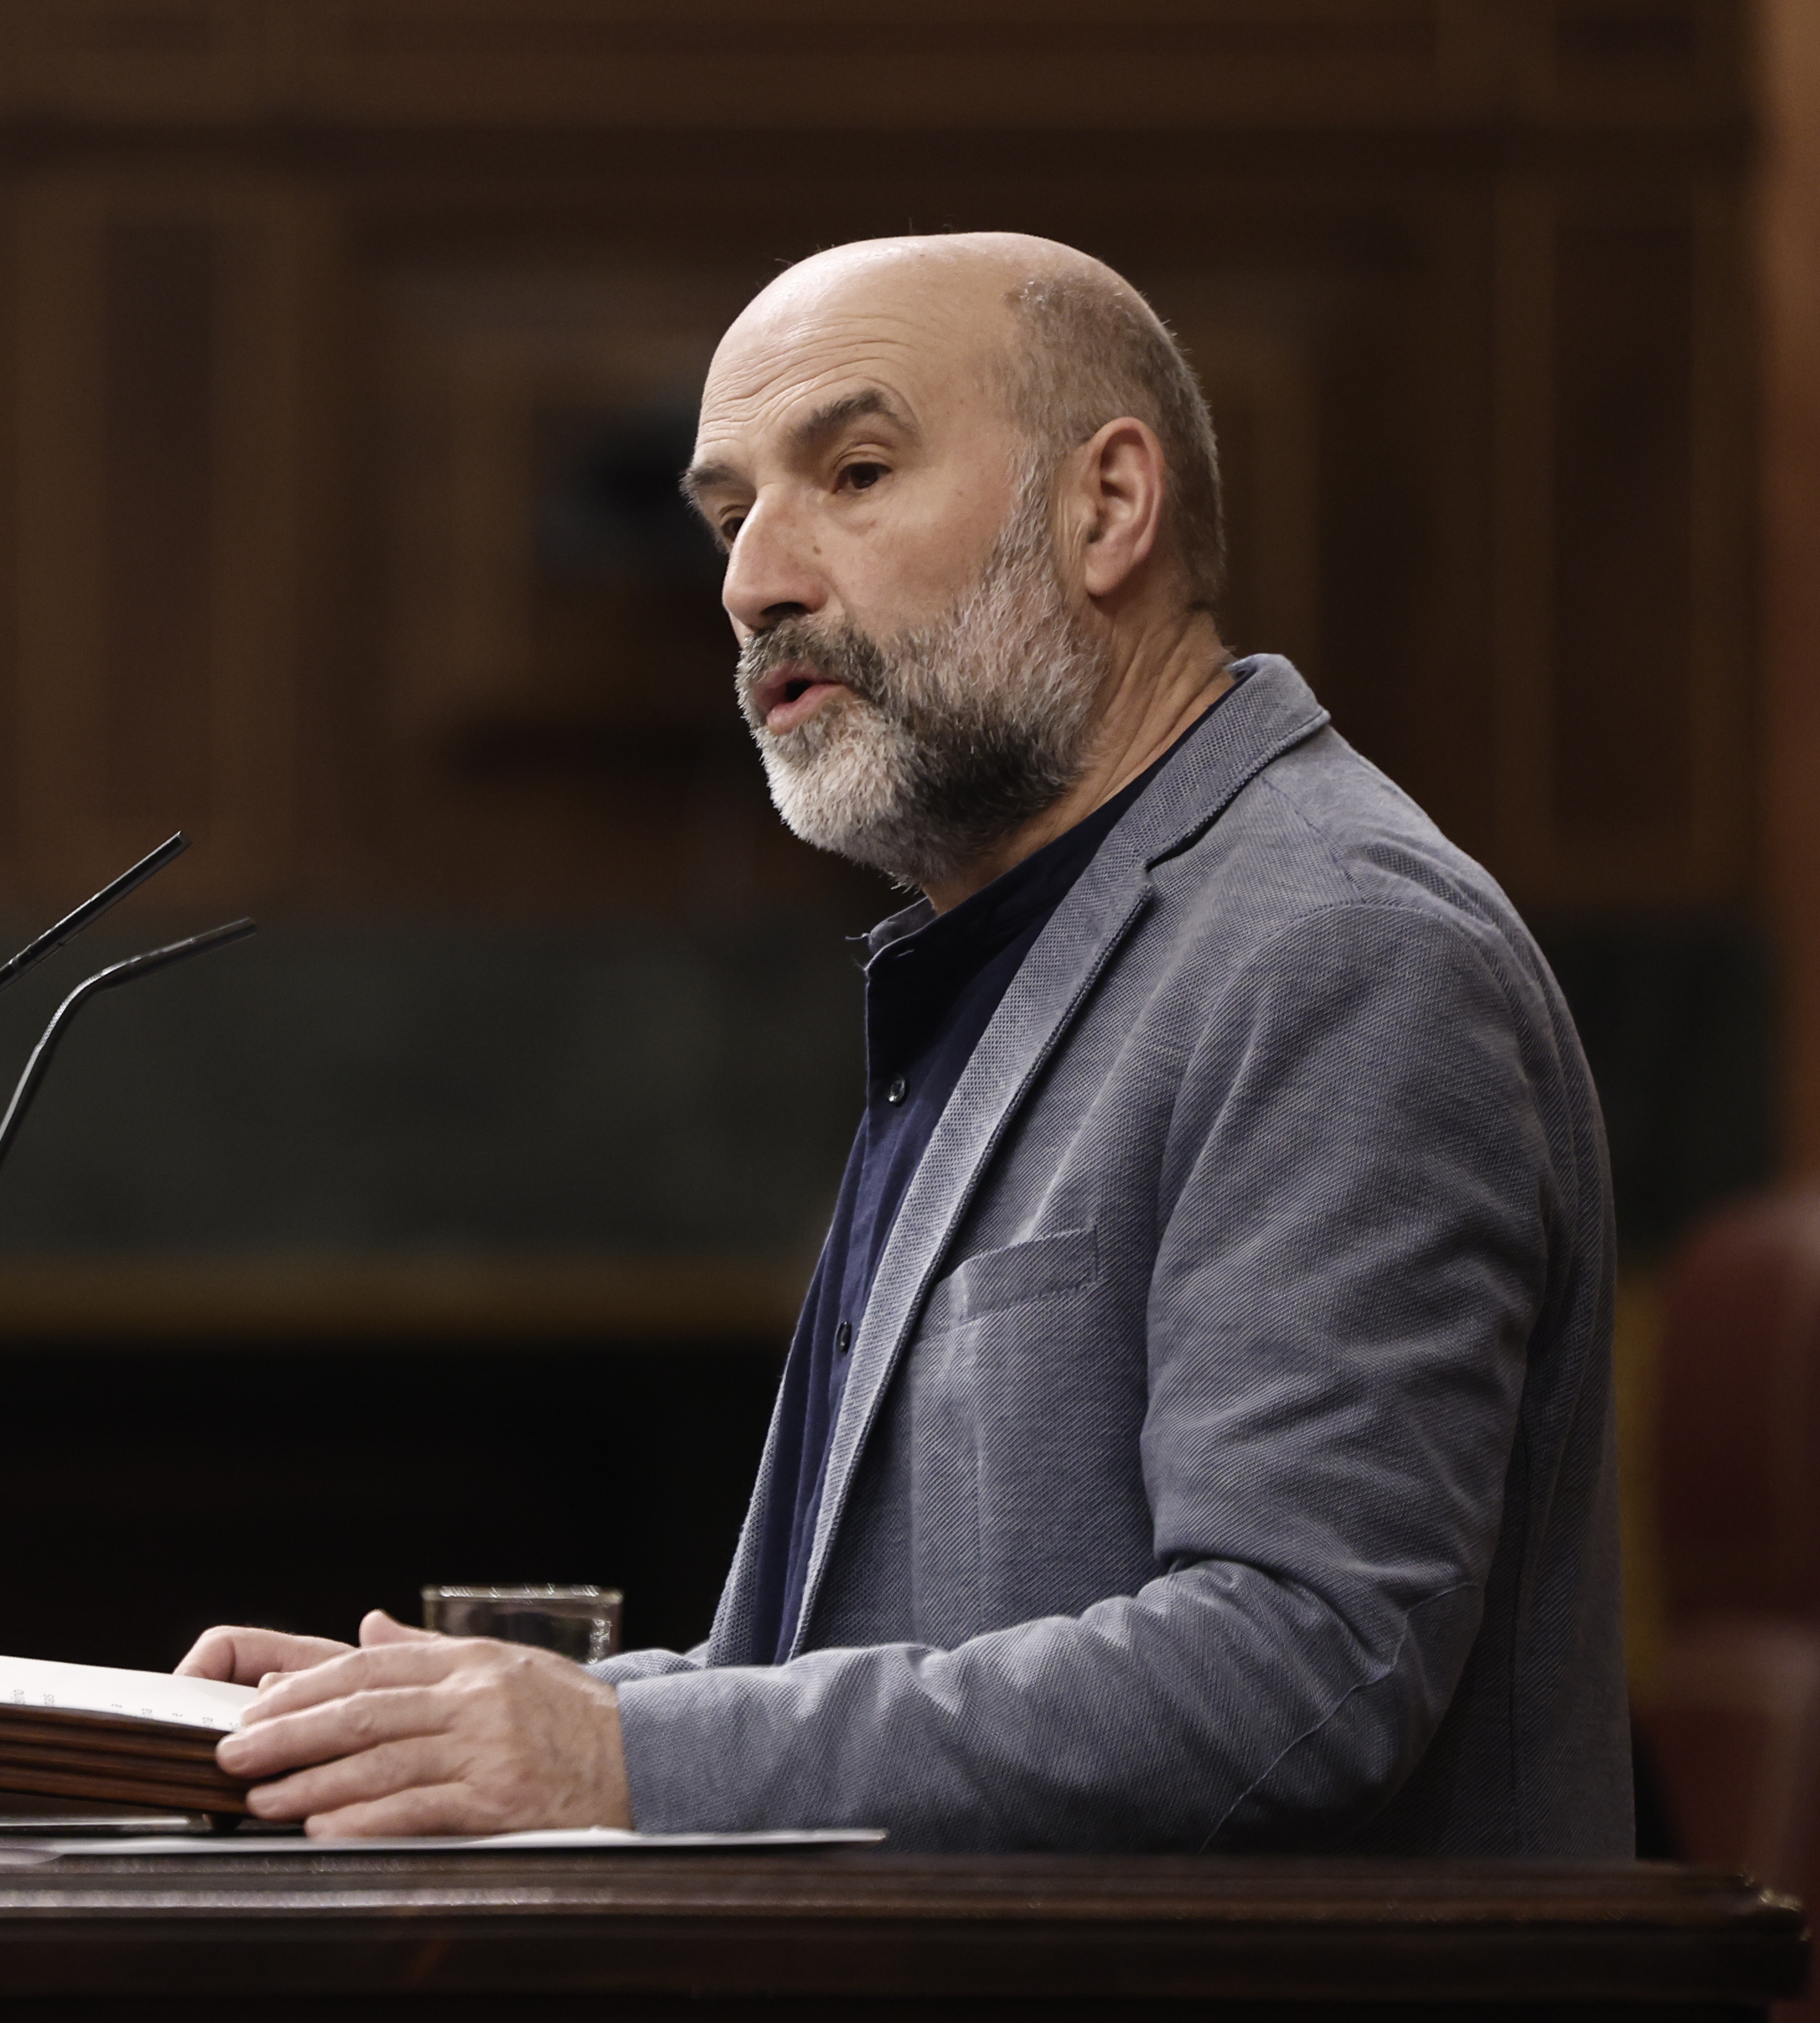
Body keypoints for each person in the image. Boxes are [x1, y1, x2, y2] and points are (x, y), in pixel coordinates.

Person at [177, 231, 1628, 1854]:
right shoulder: (1021, 946)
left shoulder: (1338, 947)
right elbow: (862, 1683)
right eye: (729, 516)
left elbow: (1305, 1666)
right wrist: (451, 1732)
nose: (751, 582)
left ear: (1108, 509)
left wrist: (615, 1766)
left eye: (852, 474)